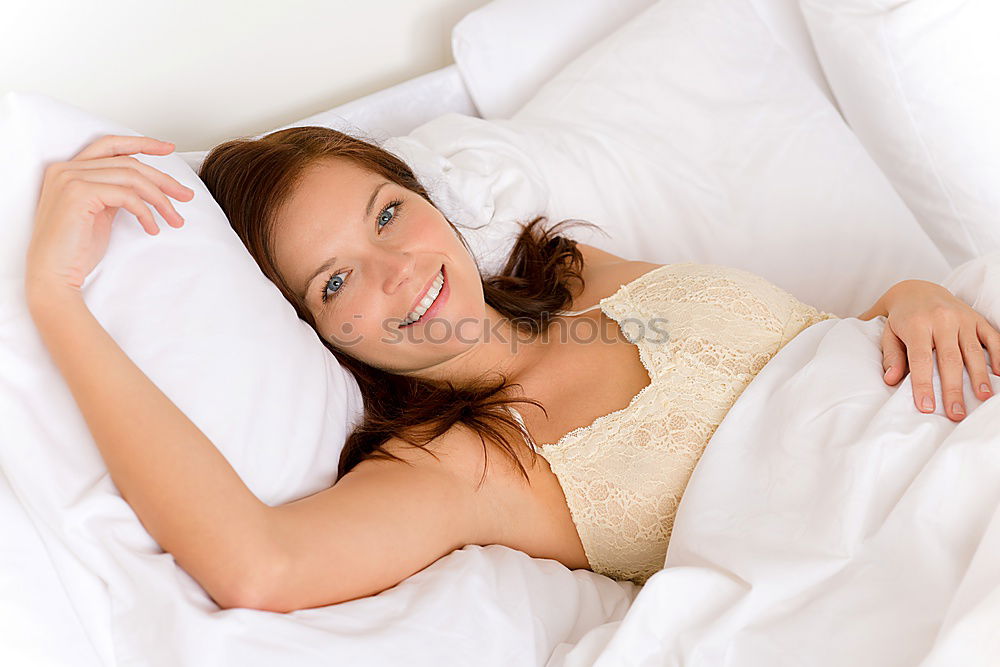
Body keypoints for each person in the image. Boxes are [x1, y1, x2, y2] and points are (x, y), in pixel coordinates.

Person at [25, 131, 1000, 613]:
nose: (399, 270)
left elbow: (808, 351)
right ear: (309, 331)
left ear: (423, 198)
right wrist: (57, 302)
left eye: (386, 214)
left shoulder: (579, 274)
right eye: (335, 280)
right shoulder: (463, 467)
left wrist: (912, 296)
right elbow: (257, 565)